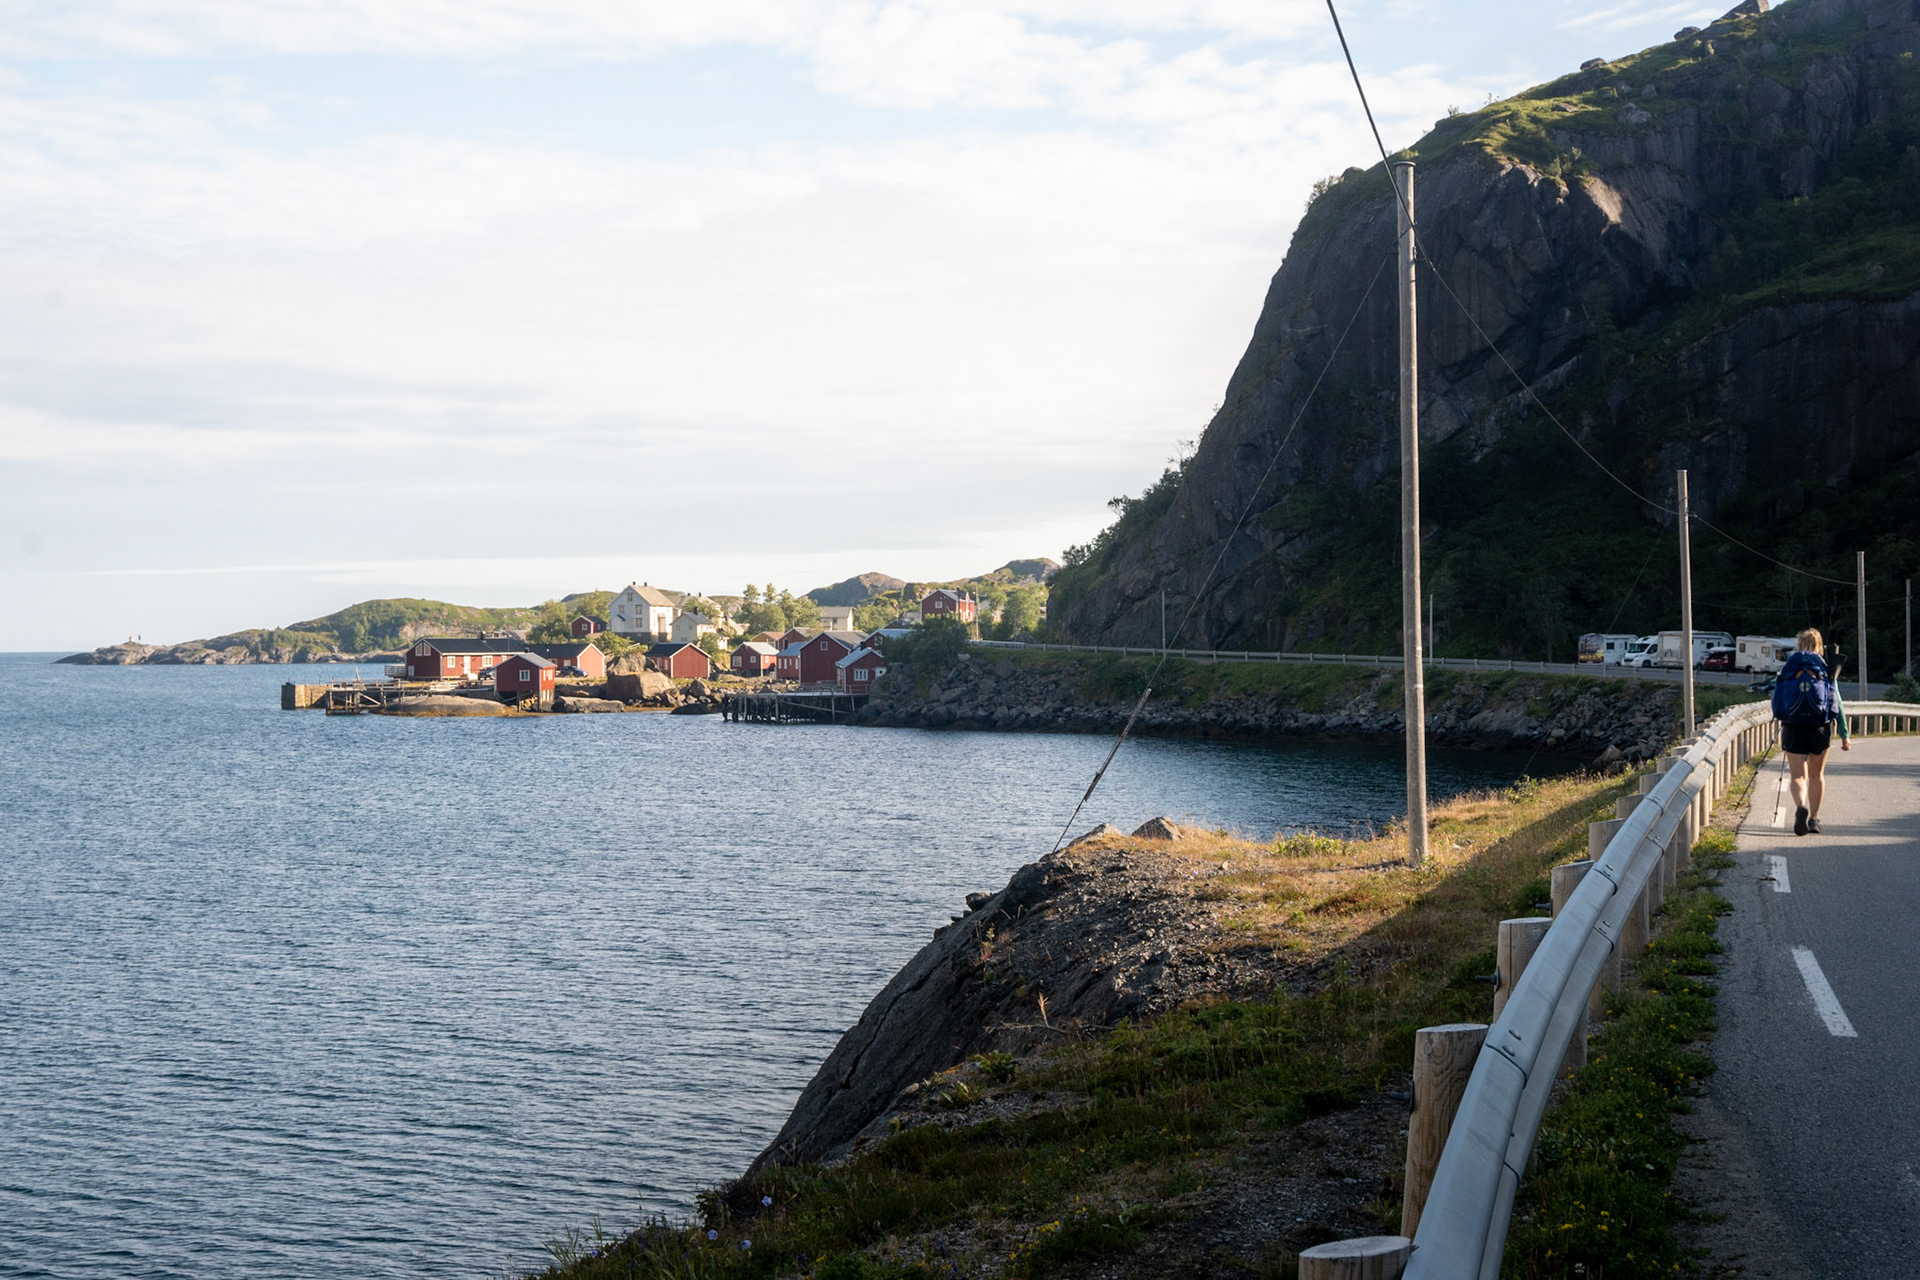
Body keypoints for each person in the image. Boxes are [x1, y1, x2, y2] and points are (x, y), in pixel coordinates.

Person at [1772, 628, 1851, 836]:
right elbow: (1837, 702)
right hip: (1819, 727)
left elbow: (1777, 697)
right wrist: (1844, 734)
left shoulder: (1789, 667)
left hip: (1793, 726)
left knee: (1798, 775)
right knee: (1817, 775)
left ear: (1799, 644)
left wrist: (1780, 717)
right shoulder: (1825, 668)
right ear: (1819, 646)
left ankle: (1800, 807)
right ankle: (1814, 819)